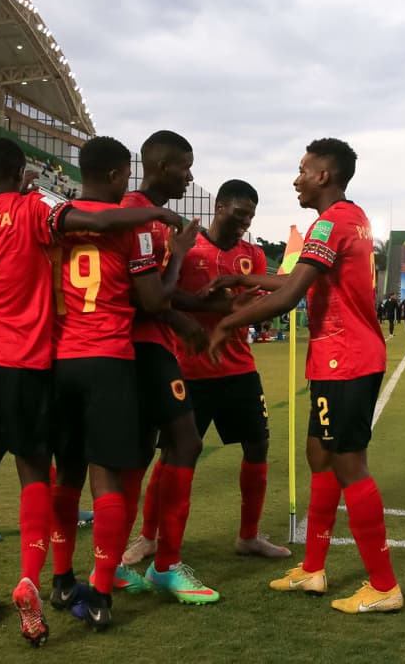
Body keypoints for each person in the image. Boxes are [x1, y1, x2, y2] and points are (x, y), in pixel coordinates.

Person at [0, 137, 178, 645]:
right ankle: (91, 593)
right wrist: (162, 221)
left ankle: (11, 591)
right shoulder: (40, 211)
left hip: (12, 359)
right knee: (81, 476)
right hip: (62, 357)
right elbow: (109, 233)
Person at [209, 138, 402, 615]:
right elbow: (300, 281)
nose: (295, 178)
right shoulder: (349, 218)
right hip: (334, 359)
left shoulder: (332, 221)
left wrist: (228, 321)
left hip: (347, 360)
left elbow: (291, 295)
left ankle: (384, 585)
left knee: (349, 464)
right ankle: (313, 569)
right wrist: (245, 280)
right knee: (319, 456)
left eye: (301, 170)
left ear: (323, 176)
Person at [46, 135, 191, 630]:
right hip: (110, 357)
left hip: (60, 359)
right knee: (106, 477)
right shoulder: (139, 229)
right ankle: (102, 592)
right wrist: (176, 252)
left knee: (64, 474)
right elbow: (152, 302)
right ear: (116, 175)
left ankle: (61, 579)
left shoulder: (53, 221)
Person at [124, 178, 290, 569]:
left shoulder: (253, 256)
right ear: (219, 207)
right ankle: (149, 537)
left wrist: (235, 307)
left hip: (239, 368)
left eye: (250, 216)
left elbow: (252, 308)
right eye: (238, 214)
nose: (244, 223)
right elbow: (162, 298)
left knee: (258, 446)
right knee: (172, 454)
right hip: (188, 369)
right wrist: (213, 310)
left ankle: (248, 536)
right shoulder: (187, 247)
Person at [115, 130, 219, 604]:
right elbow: (148, 299)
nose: (190, 176)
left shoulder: (155, 222)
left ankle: (127, 562)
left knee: (143, 454)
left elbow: (161, 287)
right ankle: (164, 564)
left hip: (151, 345)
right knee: (183, 441)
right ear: (159, 166)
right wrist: (180, 314)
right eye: (184, 167)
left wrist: (193, 292)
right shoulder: (138, 215)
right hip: (140, 347)